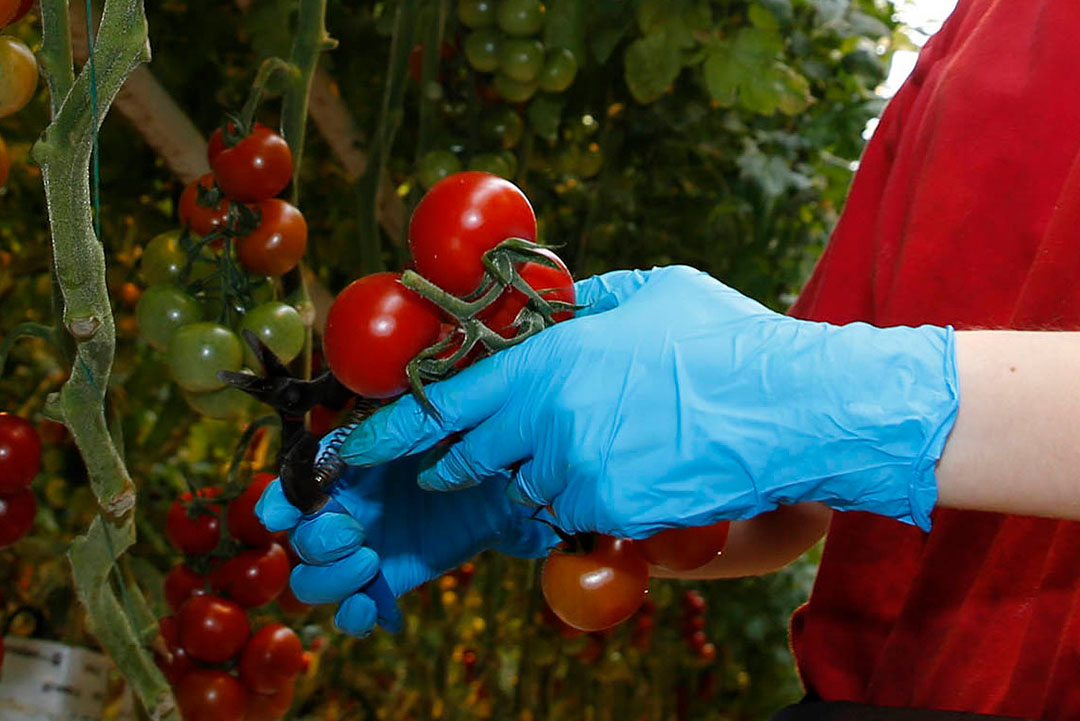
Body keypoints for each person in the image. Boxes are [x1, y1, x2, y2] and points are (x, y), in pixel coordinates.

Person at [257, 0, 1080, 717]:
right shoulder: (973, 34)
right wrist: (567, 484)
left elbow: (820, 413)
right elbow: (801, 501)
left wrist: (814, 399)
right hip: (860, 696)